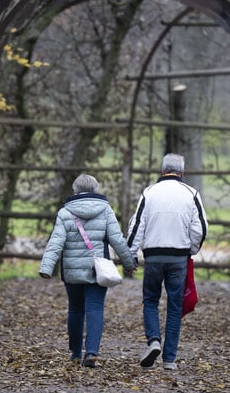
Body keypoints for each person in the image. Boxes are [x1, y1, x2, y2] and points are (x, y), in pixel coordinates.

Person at [40, 173, 137, 368]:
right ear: (96, 190)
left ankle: (75, 354)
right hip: (97, 270)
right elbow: (117, 239)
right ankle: (91, 352)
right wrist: (129, 263)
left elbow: (55, 243)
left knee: (75, 309)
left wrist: (46, 267)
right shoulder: (105, 210)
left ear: (74, 190)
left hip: (72, 271)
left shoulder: (65, 213)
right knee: (95, 308)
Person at [125, 153, 207, 370]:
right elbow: (200, 228)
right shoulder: (191, 194)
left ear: (162, 171)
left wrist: (131, 254)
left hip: (153, 256)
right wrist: (191, 249)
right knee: (175, 306)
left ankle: (153, 340)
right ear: (182, 172)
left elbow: (137, 225)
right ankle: (169, 359)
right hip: (178, 257)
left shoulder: (149, 193)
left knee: (150, 300)